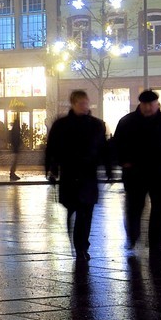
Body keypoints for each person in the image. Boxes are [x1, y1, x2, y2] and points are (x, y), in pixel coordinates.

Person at [112, 89, 161, 258]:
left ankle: (156, 245)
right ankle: (133, 236)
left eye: (151, 104)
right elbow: (117, 145)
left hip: (160, 174)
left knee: (159, 210)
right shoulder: (128, 122)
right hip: (135, 174)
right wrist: (123, 161)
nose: (148, 108)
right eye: (145, 104)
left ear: (157, 104)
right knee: (134, 208)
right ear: (141, 104)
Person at [44, 90, 108, 260]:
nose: (85, 107)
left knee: (85, 212)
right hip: (70, 174)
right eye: (81, 103)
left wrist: (107, 166)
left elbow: (103, 148)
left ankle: (81, 246)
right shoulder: (62, 125)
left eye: (86, 103)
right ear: (73, 104)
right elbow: (52, 148)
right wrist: (52, 168)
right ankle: (78, 244)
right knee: (76, 209)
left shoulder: (96, 125)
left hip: (88, 175)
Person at [8, 117, 24, 181]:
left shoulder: (14, 130)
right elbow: (16, 139)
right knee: (15, 160)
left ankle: (12, 172)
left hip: (15, 147)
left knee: (15, 160)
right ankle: (12, 173)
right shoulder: (16, 131)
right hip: (16, 147)